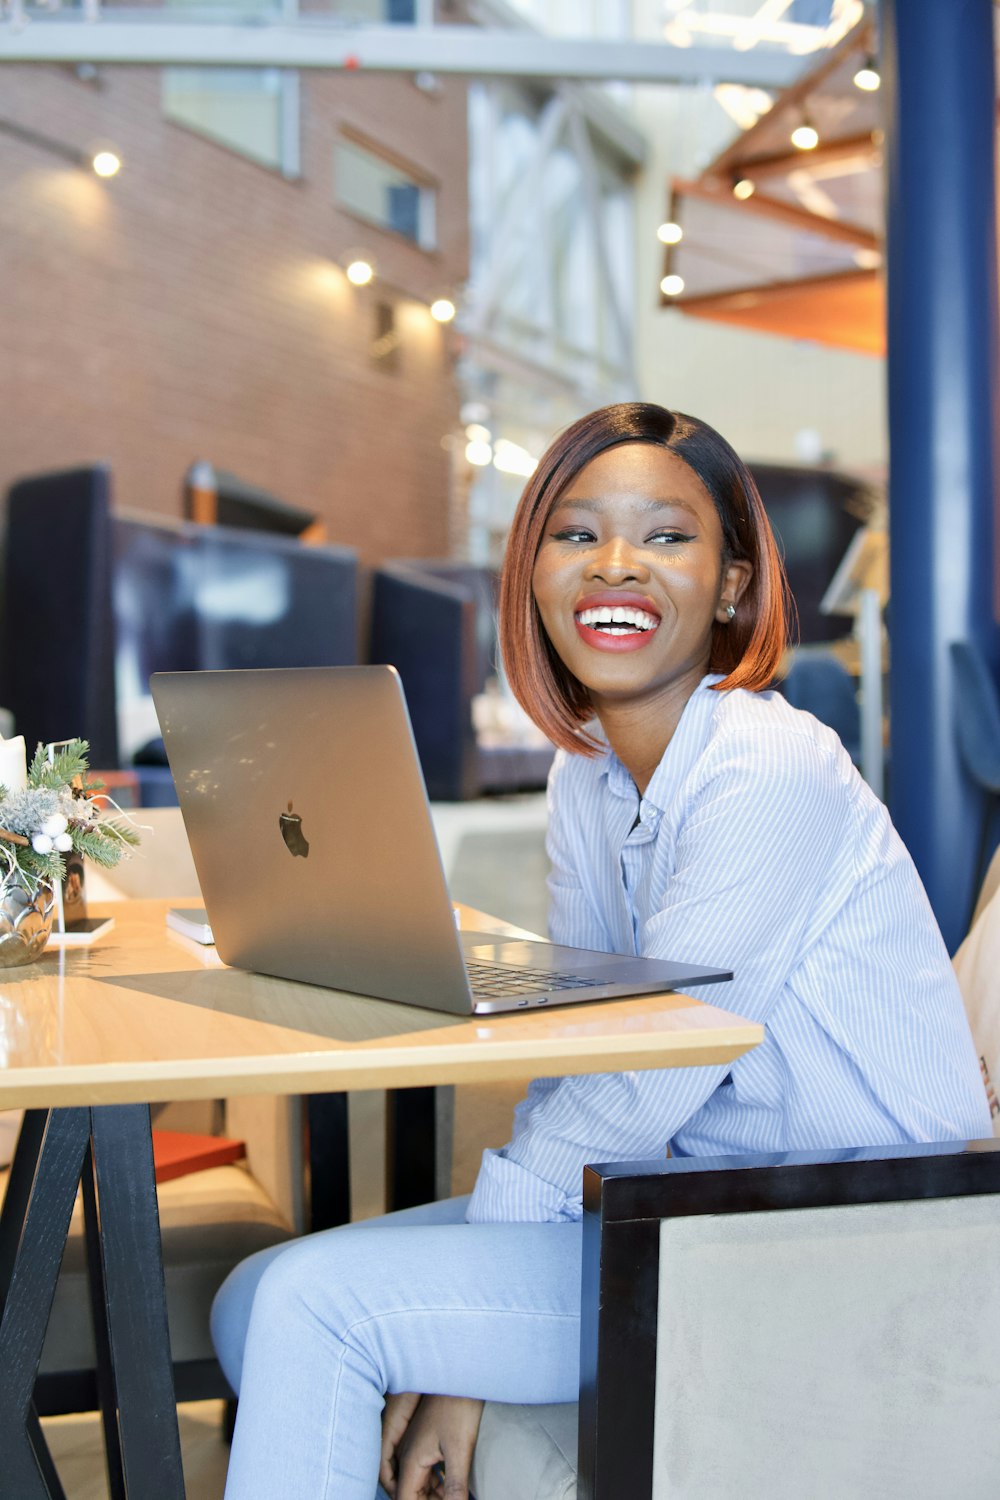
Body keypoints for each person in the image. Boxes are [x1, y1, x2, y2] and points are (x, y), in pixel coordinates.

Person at [211, 403, 990, 1500]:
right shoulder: (585, 776)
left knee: (311, 1307)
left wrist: (460, 1360)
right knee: (254, 1295)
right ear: (530, 572)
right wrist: (473, 1311)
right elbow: (589, 1038)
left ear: (731, 586)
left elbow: (642, 1072)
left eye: (666, 536)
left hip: (845, 1238)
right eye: (574, 535)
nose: (613, 565)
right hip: (682, 1202)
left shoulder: (768, 767)